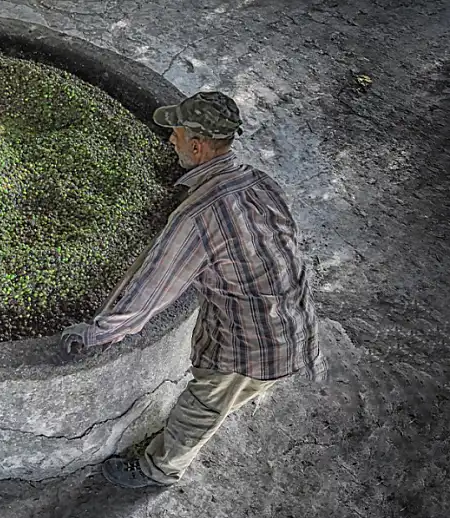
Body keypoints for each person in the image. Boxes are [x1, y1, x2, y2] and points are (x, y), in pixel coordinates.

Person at [60, 91, 326, 489]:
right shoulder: (260, 183)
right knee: (236, 391)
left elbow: (149, 294)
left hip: (252, 345)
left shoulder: (198, 216)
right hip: (297, 321)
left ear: (198, 147)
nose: (171, 141)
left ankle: (159, 471)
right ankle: (247, 389)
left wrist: (96, 334)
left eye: (178, 135)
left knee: (201, 407)